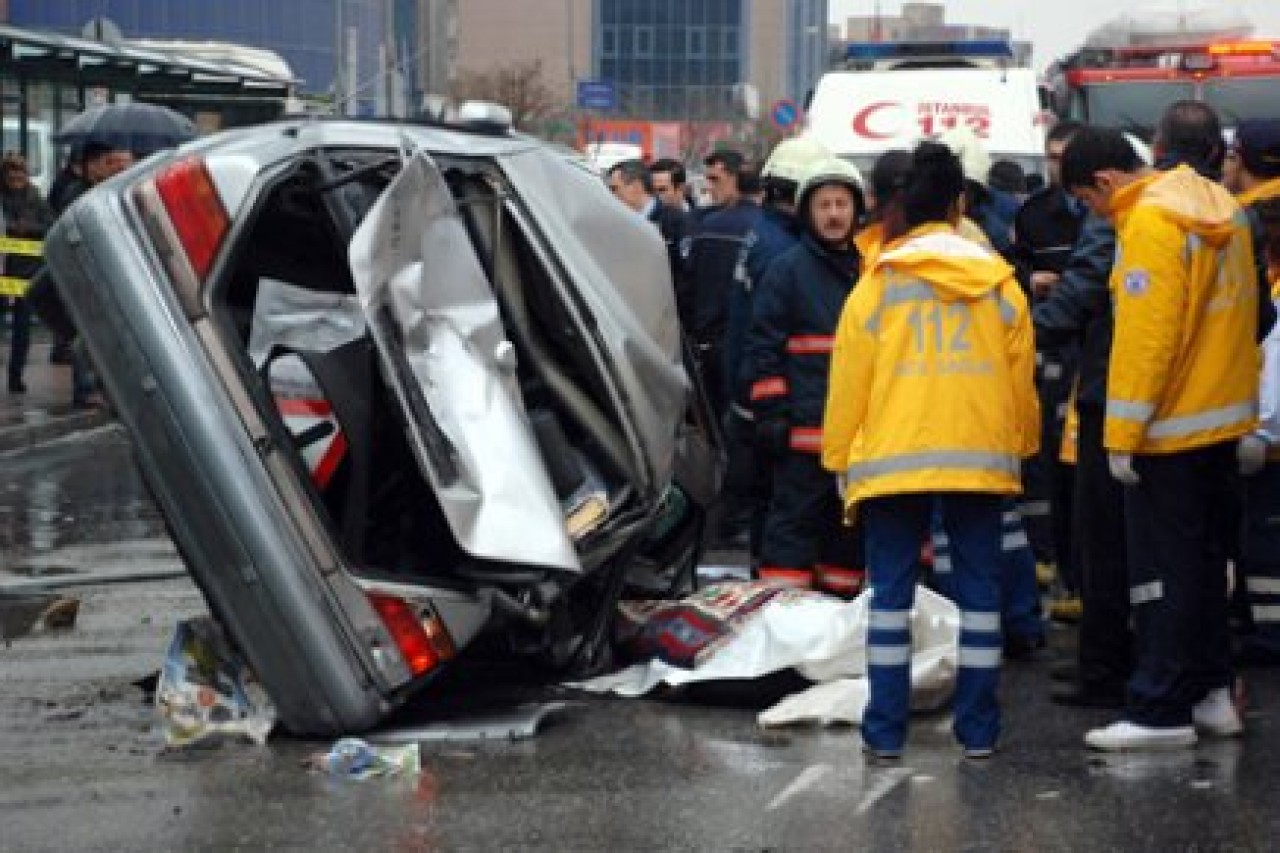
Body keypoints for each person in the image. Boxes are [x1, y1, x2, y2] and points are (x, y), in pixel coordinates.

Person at [824, 141, 1038, 759]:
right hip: (979, 458)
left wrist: (840, 458)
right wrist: (1020, 448)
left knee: (889, 598)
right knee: (979, 596)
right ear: (959, 205)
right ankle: (978, 731)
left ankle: (885, 732)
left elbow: (849, 381)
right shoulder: (1000, 284)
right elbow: (1021, 377)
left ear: (899, 207)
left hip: (892, 461)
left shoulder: (878, 283)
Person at [1061, 125, 1256, 751]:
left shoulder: (1149, 223)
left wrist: (1122, 434)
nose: (1096, 214)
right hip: (1221, 420)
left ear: (1105, 181)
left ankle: (1159, 710)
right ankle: (1211, 693)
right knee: (1204, 567)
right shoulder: (1218, 207)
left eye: (1089, 202)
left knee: (1161, 576)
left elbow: (1147, 340)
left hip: (1168, 432)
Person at [745, 156, 865, 594]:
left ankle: (836, 626)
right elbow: (764, 347)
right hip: (801, 438)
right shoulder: (787, 270)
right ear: (807, 213)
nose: (834, 214)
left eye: (841, 204)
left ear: (856, 210)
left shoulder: (870, 271)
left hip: (857, 440)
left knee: (848, 540)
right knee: (790, 537)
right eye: (823, 205)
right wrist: (772, 413)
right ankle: (784, 626)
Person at [718, 136, 828, 555]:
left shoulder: (765, 235)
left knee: (767, 507)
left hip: (750, 393)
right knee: (778, 513)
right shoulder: (786, 252)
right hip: (771, 401)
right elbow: (771, 335)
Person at [1011, 120, 1089, 619]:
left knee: (1079, 468)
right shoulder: (1034, 215)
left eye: (1067, 157)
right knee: (1043, 461)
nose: (1059, 167)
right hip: (1048, 351)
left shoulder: (1110, 217)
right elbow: (1010, 272)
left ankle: (1076, 572)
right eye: (1052, 158)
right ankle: (1051, 558)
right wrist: (1030, 280)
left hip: (1088, 351)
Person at [1222, 118, 1280, 666]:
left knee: (1264, 540)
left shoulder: (1240, 220)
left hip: (1267, 432)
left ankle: (1268, 633)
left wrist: (1260, 426)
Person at [684, 149, 758, 419]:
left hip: (713, 345)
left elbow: (688, 287)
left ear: (736, 178)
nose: (709, 187)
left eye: (716, 180)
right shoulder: (765, 228)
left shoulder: (709, 226)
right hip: (739, 345)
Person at [606, 158, 694, 309]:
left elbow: (688, 275)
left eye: (615, 188)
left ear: (636, 186)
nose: (611, 195)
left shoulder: (677, 222)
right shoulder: (614, 225)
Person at [0, 152, 53, 394]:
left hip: (26, 271)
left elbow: (50, 225)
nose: (17, 178)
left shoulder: (36, 198)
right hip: (3, 268)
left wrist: (28, 229)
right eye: (12, 174)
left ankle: (15, 376)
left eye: (20, 173)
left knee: (22, 329)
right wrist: (11, 228)